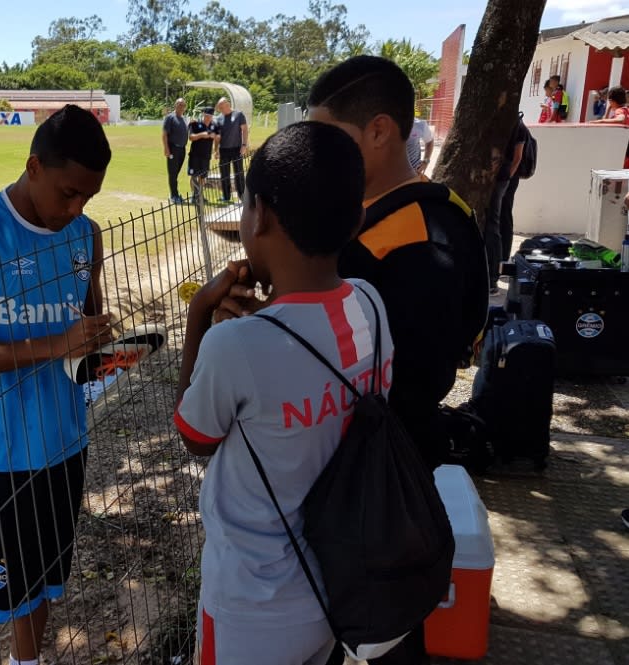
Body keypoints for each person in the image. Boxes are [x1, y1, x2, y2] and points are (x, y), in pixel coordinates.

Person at [174, 121, 393, 665]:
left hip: (254, 607)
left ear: (260, 215)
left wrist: (201, 315)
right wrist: (265, 324)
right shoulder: (370, 303)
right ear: (358, 218)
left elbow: (194, 437)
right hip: (340, 587)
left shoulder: (235, 345)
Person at [300, 55, 486, 665]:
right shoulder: (441, 208)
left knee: (379, 628)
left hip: (377, 475)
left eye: (331, 137)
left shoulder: (412, 237)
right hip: (386, 465)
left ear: (380, 131)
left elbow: (418, 371)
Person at [0, 105, 113, 665]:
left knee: (41, 586)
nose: (76, 208)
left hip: (63, 445)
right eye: (67, 193)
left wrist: (102, 347)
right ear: (33, 166)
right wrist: (53, 345)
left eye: (88, 196)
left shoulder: (87, 234)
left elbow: (83, 337)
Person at [485, 115, 530, 293]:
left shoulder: (517, 126)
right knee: (496, 221)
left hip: (503, 178)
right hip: (501, 178)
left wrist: (505, 178)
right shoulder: (504, 122)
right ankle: (496, 269)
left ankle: (494, 274)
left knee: (495, 222)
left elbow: (518, 157)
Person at [215, 97, 249, 202]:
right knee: (224, 174)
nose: (220, 109)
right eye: (219, 107)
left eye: (222, 106)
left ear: (228, 104)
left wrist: (244, 145)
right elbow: (217, 136)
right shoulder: (219, 118)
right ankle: (226, 196)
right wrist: (216, 150)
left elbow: (245, 130)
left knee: (239, 173)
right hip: (223, 150)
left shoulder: (239, 115)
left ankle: (242, 196)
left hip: (236, 149)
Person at [187, 107, 219, 204]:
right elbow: (191, 137)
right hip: (195, 155)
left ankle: (200, 196)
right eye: (206, 116)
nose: (208, 118)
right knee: (193, 176)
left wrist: (216, 150)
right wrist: (202, 135)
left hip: (206, 156)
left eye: (210, 116)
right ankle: (194, 196)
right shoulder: (195, 123)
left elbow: (217, 138)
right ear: (203, 114)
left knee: (203, 177)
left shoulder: (214, 126)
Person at [162, 98, 189, 204]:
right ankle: (174, 195)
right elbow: (164, 134)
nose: (181, 106)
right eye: (179, 104)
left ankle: (175, 193)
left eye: (183, 105)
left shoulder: (182, 119)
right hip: (173, 149)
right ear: (175, 105)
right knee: (173, 173)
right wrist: (166, 148)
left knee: (176, 173)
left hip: (181, 149)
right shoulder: (170, 117)